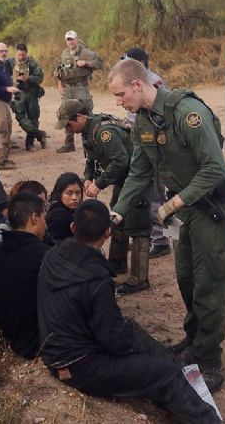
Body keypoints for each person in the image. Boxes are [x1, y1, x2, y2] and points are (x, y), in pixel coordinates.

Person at [108, 59, 225, 392]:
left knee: (210, 279)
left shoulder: (186, 113)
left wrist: (175, 202)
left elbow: (215, 169)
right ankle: (194, 338)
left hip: (209, 207)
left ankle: (209, 358)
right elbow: (138, 171)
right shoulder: (143, 122)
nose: (118, 102)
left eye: (121, 94)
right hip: (179, 210)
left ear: (138, 85)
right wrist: (117, 213)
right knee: (186, 276)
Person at [37, 199, 222, 424]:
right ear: (107, 233)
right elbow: (114, 340)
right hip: (81, 366)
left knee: (134, 333)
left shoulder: (52, 256)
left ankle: (178, 369)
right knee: (164, 373)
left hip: (56, 354)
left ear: (73, 228)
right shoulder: (95, 278)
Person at [56, 98, 149, 294]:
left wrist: (99, 184)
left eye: (69, 124)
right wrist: (88, 178)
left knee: (139, 223)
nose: (68, 129)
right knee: (116, 216)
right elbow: (91, 158)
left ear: (80, 117)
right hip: (124, 179)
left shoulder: (104, 132)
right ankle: (117, 264)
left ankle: (140, 278)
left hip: (138, 177)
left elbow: (120, 161)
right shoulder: (88, 131)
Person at [0, 192, 50, 359]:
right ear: (34, 218)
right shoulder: (41, 255)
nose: (46, 224)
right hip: (36, 343)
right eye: (44, 218)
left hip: (10, 334)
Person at [121, 47, 171, 258]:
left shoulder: (155, 84)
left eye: (128, 63)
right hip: (142, 140)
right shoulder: (135, 82)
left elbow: (162, 119)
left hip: (154, 146)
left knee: (154, 193)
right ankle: (154, 236)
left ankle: (160, 241)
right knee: (144, 190)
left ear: (139, 64)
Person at [54, 30, 103, 153]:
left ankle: (89, 143)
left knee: (84, 113)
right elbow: (59, 70)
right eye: (68, 40)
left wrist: (86, 63)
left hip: (81, 87)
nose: (70, 42)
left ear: (77, 39)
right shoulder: (64, 54)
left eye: (72, 39)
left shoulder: (86, 53)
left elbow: (99, 63)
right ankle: (69, 143)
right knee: (65, 113)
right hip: (68, 88)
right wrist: (60, 84)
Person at [10, 43, 47, 150]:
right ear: (16, 54)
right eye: (19, 55)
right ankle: (40, 135)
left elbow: (39, 78)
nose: (21, 57)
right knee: (21, 118)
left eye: (23, 55)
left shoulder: (32, 63)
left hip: (31, 93)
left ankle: (29, 143)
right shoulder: (11, 62)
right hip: (18, 94)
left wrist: (28, 78)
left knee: (33, 118)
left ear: (26, 53)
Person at [45, 172, 84, 248]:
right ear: (60, 194)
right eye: (69, 193)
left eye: (78, 193)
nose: (74, 197)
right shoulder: (59, 216)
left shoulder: (71, 210)